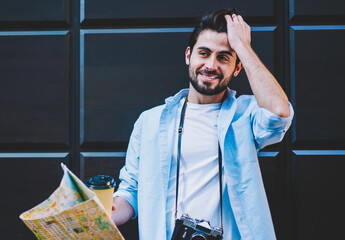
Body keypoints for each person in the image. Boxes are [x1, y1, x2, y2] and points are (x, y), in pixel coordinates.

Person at [111, 8, 293, 240]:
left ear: (238, 67)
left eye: (224, 57)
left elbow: (279, 113)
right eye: (204, 53)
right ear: (189, 56)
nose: (211, 65)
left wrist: (244, 48)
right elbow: (131, 191)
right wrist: (98, 216)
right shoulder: (150, 121)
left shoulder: (245, 115)